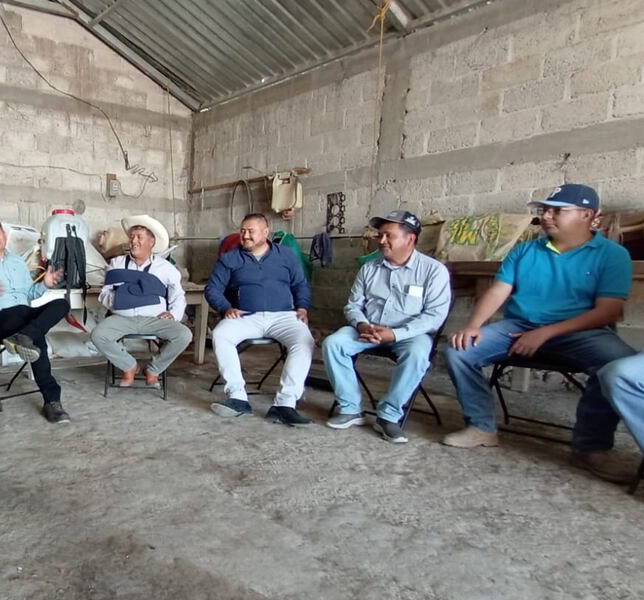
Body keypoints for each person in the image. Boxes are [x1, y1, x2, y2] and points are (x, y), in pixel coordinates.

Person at [442, 184, 639, 484]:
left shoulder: (612, 255)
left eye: (557, 211)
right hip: (519, 327)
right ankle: (481, 427)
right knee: (460, 350)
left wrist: (546, 333)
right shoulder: (525, 250)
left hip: (581, 331)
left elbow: (607, 311)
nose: (546, 216)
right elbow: (498, 291)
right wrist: (473, 325)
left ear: (587, 215)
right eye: (544, 210)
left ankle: (590, 448)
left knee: (618, 364)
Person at [322, 210, 451, 443]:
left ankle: (388, 416)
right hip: (368, 330)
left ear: (410, 239)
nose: (381, 241)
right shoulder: (369, 268)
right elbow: (353, 305)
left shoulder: (433, 271)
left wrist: (395, 334)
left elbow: (434, 316)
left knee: (418, 352)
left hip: (409, 334)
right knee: (333, 343)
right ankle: (350, 408)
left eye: (388, 236)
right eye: (380, 235)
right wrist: (362, 324)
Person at [204, 212, 315, 426]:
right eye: (242, 231)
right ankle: (237, 397)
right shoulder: (230, 258)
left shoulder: (286, 255)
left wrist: (302, 307)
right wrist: (226, 307)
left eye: (251, 231)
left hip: (284, 316)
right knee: (220, 334)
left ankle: (284, 405)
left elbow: (301, 284)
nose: (245, 236)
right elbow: (212, 289)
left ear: (266, 232)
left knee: (304, 341)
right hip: (247, 316)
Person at [0, 217, 71, 423]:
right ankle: (52, 400)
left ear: (4, 234)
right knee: (36, 337)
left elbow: (30, 294)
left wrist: (44, 284)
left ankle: (24, 336)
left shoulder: (18, 262)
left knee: (61, 304)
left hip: (23, 313)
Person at [91, 215, 192, 386]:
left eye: (139, 237)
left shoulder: (165, 268)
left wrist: (173, 315)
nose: (133, 241)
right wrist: (118, 301)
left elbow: (178, 295)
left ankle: (153, 369)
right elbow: (104, 293)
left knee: (184, 335)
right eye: (131, 237)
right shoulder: (116, 264)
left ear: (152, 242)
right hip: (122, 318)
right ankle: (130, 366)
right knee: (98, 335)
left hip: (154, 319)